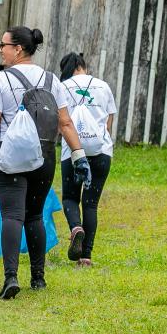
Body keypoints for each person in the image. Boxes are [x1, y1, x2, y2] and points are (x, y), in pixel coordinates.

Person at [0, 26, 86, 299]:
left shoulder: (1, 79)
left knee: (11, 215)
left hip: (8, 155)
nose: (1, 49)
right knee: (34, 215)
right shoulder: (52, 80)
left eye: (3, 44)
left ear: (18, 48)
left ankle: (10, 277)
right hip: (43, 155)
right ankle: (38, 279)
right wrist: (78, 155)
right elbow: (64, 122)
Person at [58, 52, 116, 268]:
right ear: (82, 66)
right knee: (91, 204)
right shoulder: (103, 86)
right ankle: (86, 257)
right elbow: (108, 124)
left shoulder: (62, 88)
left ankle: (76, 228)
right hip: (101, 152)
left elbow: (60, 123)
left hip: (73, 151)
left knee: (70, 198)